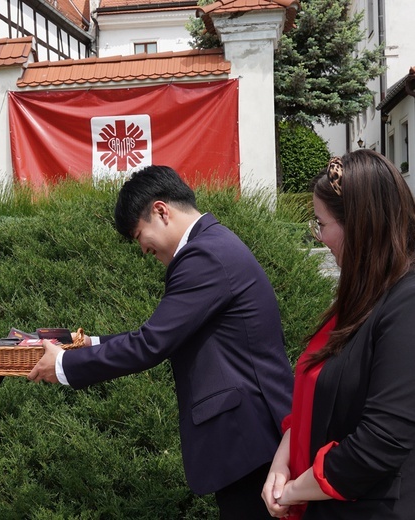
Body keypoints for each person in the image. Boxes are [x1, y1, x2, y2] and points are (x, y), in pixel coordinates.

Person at [28, 165, 294, 520]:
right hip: (252, 438)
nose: (143, 249)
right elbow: (162, 335)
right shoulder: (213, 245)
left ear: (161, 211)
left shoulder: (204, 256)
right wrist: (85, 344)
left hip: (250, 437)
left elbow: (151, 343)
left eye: (140, 236)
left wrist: (63, 366)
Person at [261, 149, 415, 519]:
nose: (319, 237)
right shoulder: (364, 296)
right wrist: (282, 462)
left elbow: (381, 441)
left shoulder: (406, 304)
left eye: (321, 223)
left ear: (360, 226)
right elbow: (316, 395)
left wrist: (296, 489)